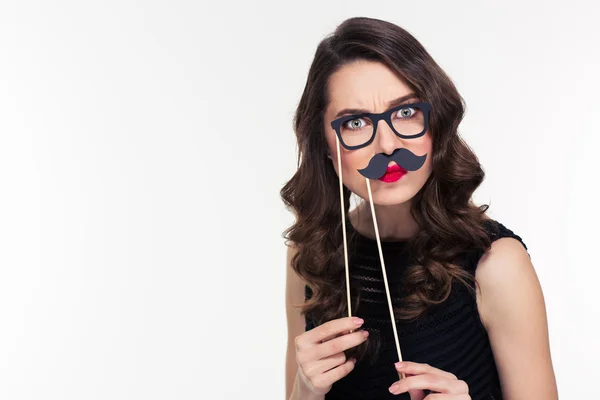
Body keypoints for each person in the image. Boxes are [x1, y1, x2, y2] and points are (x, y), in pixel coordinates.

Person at [281, 17, 558, 400]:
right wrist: (305, 391)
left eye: (406, 113)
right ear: (325, 144)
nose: (388, 145)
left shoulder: (496, 263)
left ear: (437, 122)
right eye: (356, 122)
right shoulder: (310, 254)